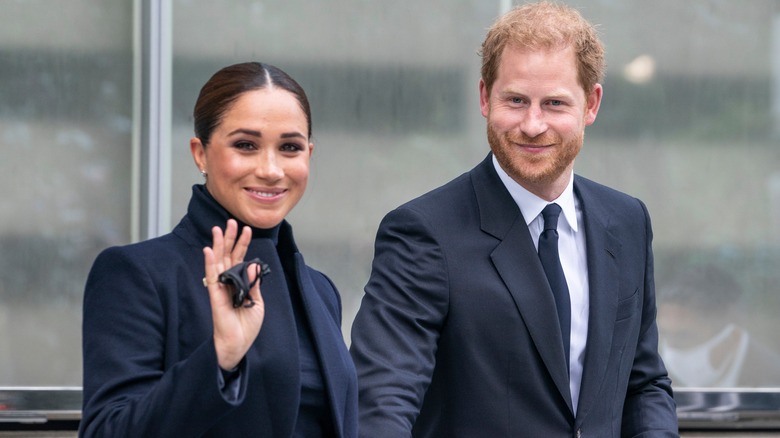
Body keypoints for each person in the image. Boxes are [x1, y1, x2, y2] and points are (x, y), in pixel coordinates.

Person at [349, 2, 678, 436]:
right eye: (516, 100)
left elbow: (643, 383)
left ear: (591, 105)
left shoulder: (626, 221)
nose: (533, 124)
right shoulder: (423, 233)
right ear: (485, 97)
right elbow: (382, 401)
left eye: (555, 103)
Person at [80, 62, 357, 437]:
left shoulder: (319, 290)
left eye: (289, 147)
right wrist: (221, 357)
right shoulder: (136, 274)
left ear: (309, 154)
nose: (271, 169)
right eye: (246, 145)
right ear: (200, 153)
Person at [658, 263, 780, 388]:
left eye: (684, 336)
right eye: (665, 334)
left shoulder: (772, 385)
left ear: (731, 336)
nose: (671, 350)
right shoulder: (659, 383)